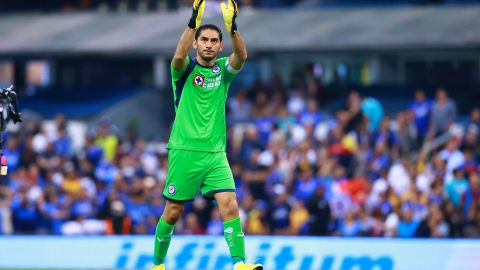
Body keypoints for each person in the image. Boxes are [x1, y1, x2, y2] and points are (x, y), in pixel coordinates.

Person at [151, 1, 263, 270]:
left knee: (230, 204)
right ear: (196, 43)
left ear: (220, 46)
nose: (209, 44)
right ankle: (157, 264)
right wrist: (194, 20)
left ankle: (239, 264)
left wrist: (232, 27)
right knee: (173, 212)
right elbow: (178, 56)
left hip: (215, 154)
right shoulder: (184, 70)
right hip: (185, 151)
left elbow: (243, 56)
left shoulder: (223, 71)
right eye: (204, 40)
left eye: (214, 40)